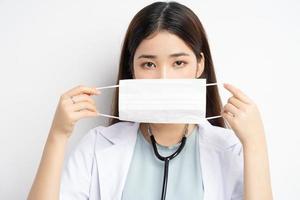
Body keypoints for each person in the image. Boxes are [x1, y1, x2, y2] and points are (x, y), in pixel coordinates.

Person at [27, 1, 273, 200]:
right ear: (131, 68)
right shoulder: (97, 146)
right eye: (149, 64)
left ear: (200, 65)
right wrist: (58, 135)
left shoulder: (229, 148)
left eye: (179, 63)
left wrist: (256, 145)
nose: (163, 78)